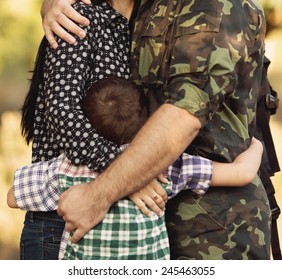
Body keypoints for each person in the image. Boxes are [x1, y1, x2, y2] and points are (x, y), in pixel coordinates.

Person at [41, 0, 272, 260]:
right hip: (141, 233)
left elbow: (184, 114)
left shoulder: (214, 5)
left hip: (216, 229)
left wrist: (100, 193)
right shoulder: (143, 7)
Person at [7, 76, 263, 259]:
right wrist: (256, 143)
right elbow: (242, 173)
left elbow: (12, 198)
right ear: (147, 123)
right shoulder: (164, 168)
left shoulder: (65, 168)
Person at [17, 0, 151, 260]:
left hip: (126, 228)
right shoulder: (79, 16)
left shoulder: (155, 25)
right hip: (61, 217)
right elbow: (61, 111)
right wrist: (129, 172)